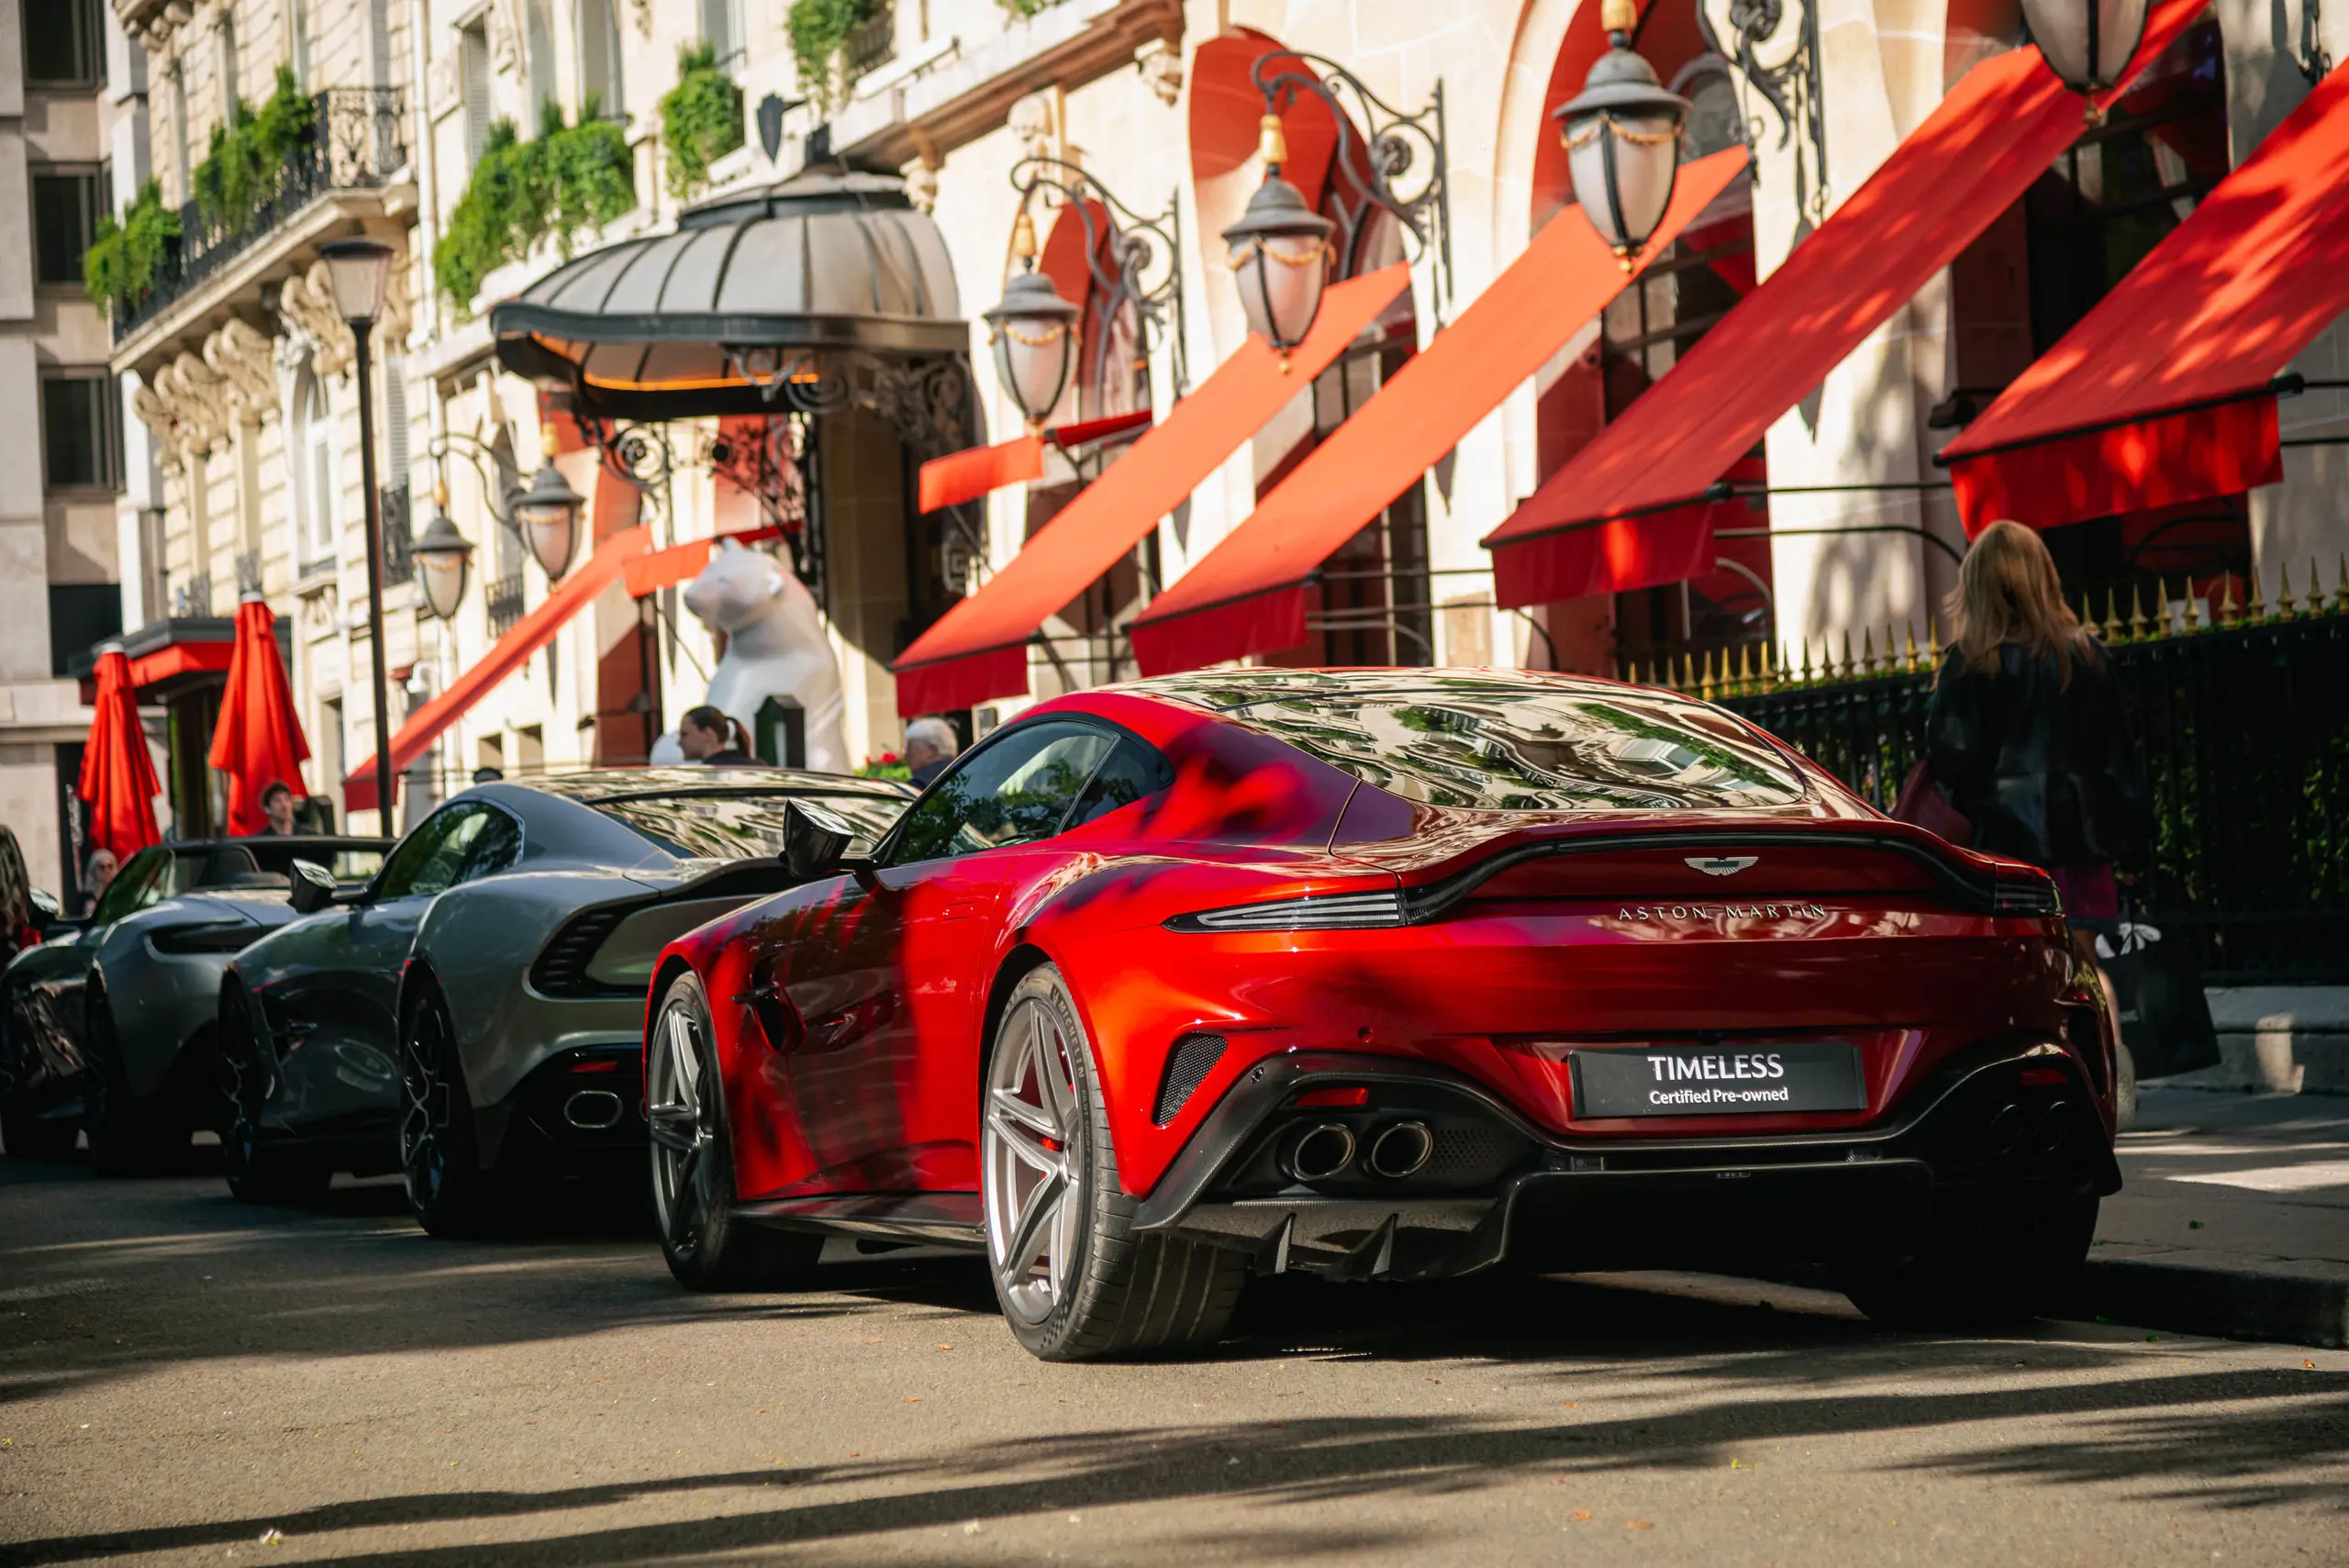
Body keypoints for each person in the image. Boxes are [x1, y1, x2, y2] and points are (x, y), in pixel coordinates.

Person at [1922, 521, 2151, 1108]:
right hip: (2083, 834)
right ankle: (2110, 1069)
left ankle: (2029, 1080)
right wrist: (2133, 850)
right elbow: (2122, 759)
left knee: (2016, 963)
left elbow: (1952, 758)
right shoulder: (2086, 654)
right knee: (2081, 958)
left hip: (2004, 841)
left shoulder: (1973, 663)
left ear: (1977, 587)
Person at [678, 706, 758, 766]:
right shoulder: (758, 769)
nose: (679, 742)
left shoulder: (709, 776)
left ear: (707, 734)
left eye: (685, 734)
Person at [903, 717, 960, 787]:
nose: (905, 756)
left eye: (909, 749)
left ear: (931, 751)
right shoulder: (966, 775)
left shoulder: (919, 785)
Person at [83, 847, 118, 915]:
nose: (107, 870)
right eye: (102, 867)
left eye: (110, 866)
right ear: (94, 871)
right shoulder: (89, 898)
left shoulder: (123, 892)